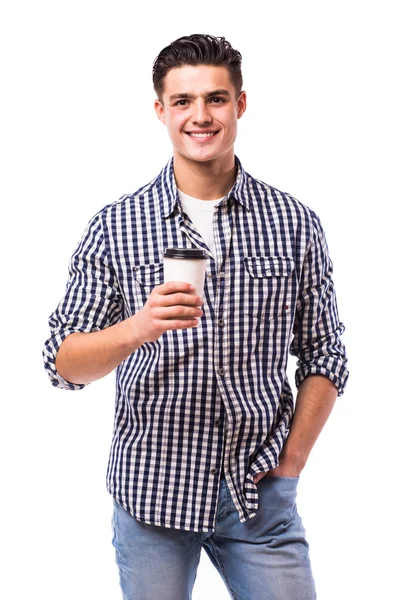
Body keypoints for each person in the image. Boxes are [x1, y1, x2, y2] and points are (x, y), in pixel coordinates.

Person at [43, 34, 349, 600]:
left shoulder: (293, 222)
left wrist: (292, 463)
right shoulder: (117, 225)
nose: (200, 116)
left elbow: (326, 353)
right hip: (151, 495)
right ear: (161, 110)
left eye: (215, 98)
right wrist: (140, 325)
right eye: (183, 101)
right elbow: (64, 364)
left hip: (257, 496)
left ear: (240, 104)